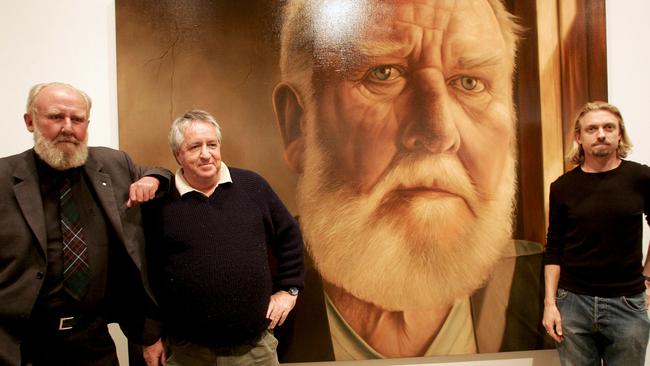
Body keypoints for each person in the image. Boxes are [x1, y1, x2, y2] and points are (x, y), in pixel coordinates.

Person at [271, 0, 550, 361]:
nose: (438, 131)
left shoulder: (554, 298)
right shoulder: (243, 297)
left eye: (470, 82)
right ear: (298, 125)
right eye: (383, 73)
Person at [0, 82, 171, 366]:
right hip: (23, 345)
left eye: (77, 119)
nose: (68, 127)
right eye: (56, 117)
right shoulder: (4, 179)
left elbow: (161, 174)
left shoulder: (112, 164)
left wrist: (151, 179)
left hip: (92, 342)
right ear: (30, 121)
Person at [140, 110, 305, 366]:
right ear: (178, 155)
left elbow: (290, 236)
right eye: (195, 147)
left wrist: (290, 289)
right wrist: (150, 337)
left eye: (212, 145)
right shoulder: (160, 203)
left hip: (256, 350)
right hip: (187, 353)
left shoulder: (253, 186)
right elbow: (144, 274)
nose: (206, 154)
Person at [543, 101, 650, 365]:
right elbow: (553, 249)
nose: (601, 134)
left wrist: (648, 278)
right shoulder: (562, 187)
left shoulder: (641, 178)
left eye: (608, 127)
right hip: (572, 303)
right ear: (579, 137)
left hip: (628, 303)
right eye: (592, 129)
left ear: (619, 134)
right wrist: (550, 304)